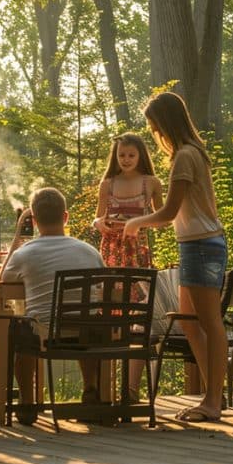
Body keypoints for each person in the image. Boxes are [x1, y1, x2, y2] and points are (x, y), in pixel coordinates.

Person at [122, 92, 227, 423]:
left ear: (165, 123)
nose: (155, 132)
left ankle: (211, 402)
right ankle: (215, 394)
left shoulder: (185, 156)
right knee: (186, 320)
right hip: (196, 244)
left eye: (155, 126)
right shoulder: (192, 153)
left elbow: (167, 213)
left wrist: (135, 222)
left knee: (210, 322)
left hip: (202, 245)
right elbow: (176, 210)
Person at [0, 187, 105, 425]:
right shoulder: (89, 252)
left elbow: (2, 283)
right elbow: (104, 286)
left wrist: (17, 238)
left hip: (44, 335)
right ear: (65, 217)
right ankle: (91, 389)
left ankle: (27, 402)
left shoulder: (24, 254)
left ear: (34, 221)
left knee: (21, 327)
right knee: (86, 319)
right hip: (85, 334)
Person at [91, 132, 164, 402]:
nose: (126, 159)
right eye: (122, 155)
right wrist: (98, 224)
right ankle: (104, 389)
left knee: (137, 316)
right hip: (110, 251)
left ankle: (131, 389)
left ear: (141, 155)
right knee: (109, 313)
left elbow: (164, 218)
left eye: (131, 155)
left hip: (138, 251)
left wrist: (139, 223)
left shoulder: (151, 182)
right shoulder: (107, 183)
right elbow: (97, 217)